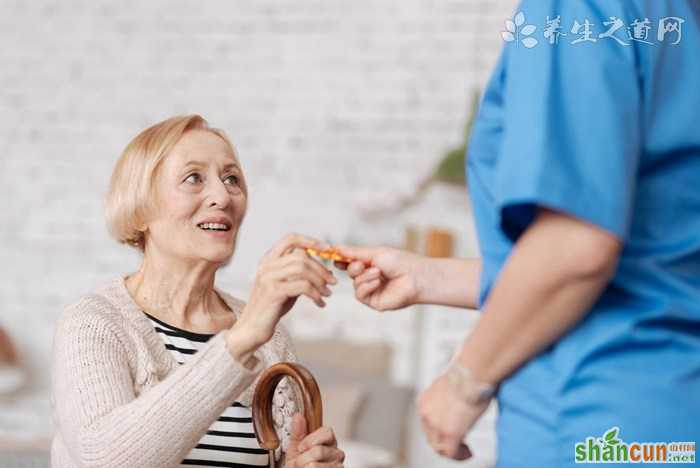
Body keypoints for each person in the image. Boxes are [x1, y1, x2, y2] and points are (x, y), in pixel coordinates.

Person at [338, 0, 700, 466]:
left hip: (590, 412)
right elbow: (650, 260)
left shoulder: (576, 8)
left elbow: (576, 247)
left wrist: (464, 381)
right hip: (668, 417)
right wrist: (429, 277)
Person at [51, 115, 346, 468]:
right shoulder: (94, 323)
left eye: (231, 179)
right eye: (194, 178)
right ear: (140, 206)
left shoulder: (272, 341)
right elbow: (104, 461)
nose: (222, 196)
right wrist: (242, 336)